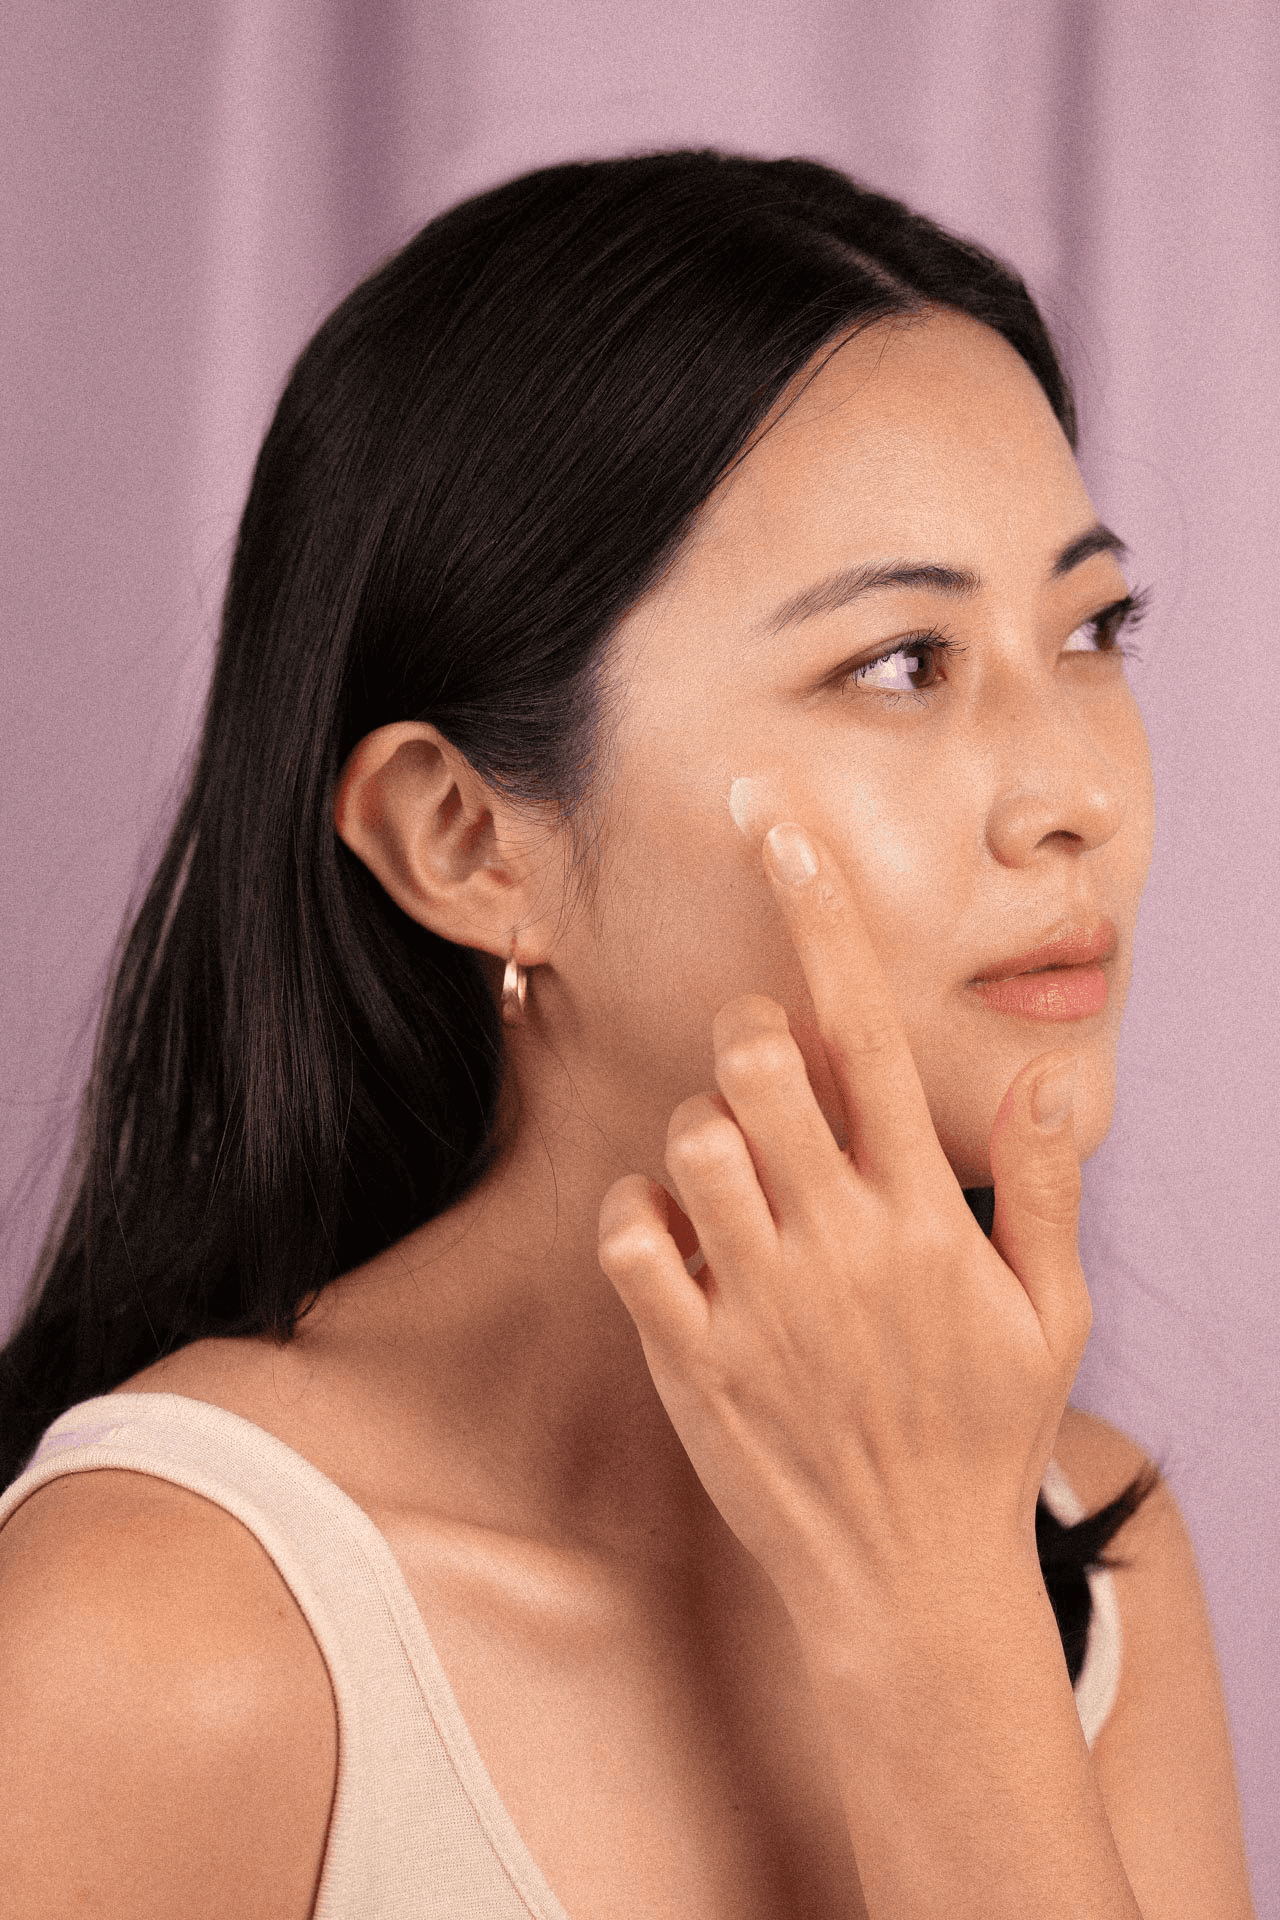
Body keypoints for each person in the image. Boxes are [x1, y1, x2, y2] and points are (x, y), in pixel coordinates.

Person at [0, 151, 1255, 1919]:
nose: (1074, 799)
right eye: (901, 662)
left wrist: (950, 1619)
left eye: (1094, 628)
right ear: (467, 840)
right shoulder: (165, 1631)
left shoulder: (1081, 1550)